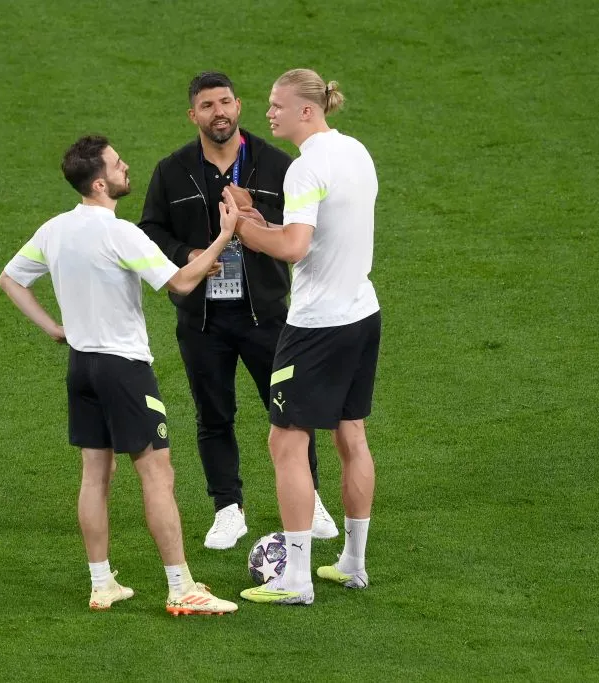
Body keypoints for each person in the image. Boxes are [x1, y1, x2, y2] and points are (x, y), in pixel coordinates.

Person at [0, 134, 241, 615]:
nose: (125, 166)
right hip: (124, 370)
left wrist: (54, 329)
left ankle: (102, 583)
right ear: (98, 182)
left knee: (95, 476)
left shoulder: (54, 230)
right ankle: (181, 587)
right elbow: (179, 282)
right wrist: (224, 236)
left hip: (82, 366)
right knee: (157, 474)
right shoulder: (120, 232)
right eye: (116, 164)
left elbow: (10, 279)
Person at [139, 71, 338, 550]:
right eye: (207, 106)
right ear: (194, 116)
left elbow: (299, 230)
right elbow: (150, 230)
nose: (219, 112)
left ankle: (309, 501)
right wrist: (187, 256)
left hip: (266, 314)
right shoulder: (172, 171)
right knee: (214, 415)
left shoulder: (277, 166)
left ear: (239, 105)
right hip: (202, 319)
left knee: (293, 414)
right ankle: (228, 509)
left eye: (225, 102)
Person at [235, 69, 381, 606]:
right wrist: (259, 218)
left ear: (306, 110)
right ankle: (353, 564)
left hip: (318, 325)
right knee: (351, 434)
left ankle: (295, 579)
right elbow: (321, 234)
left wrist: (240, 225)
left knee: (286, 441)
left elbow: (295, 247)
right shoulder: (355, 151)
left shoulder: (304, 168)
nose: (268, 113)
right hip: (363, 311)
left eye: (277, 104)